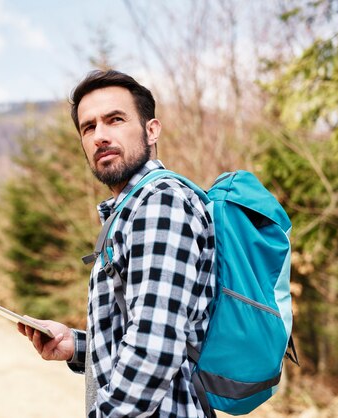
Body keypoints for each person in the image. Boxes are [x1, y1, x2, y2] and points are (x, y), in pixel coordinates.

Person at [17, 69, 216, 418]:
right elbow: (143, 329)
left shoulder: (160, 202)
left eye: (115, 120)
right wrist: (78, 346)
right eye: (88, 127)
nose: (99, 136)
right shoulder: (130, 209)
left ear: (151, 130)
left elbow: (154, 349)